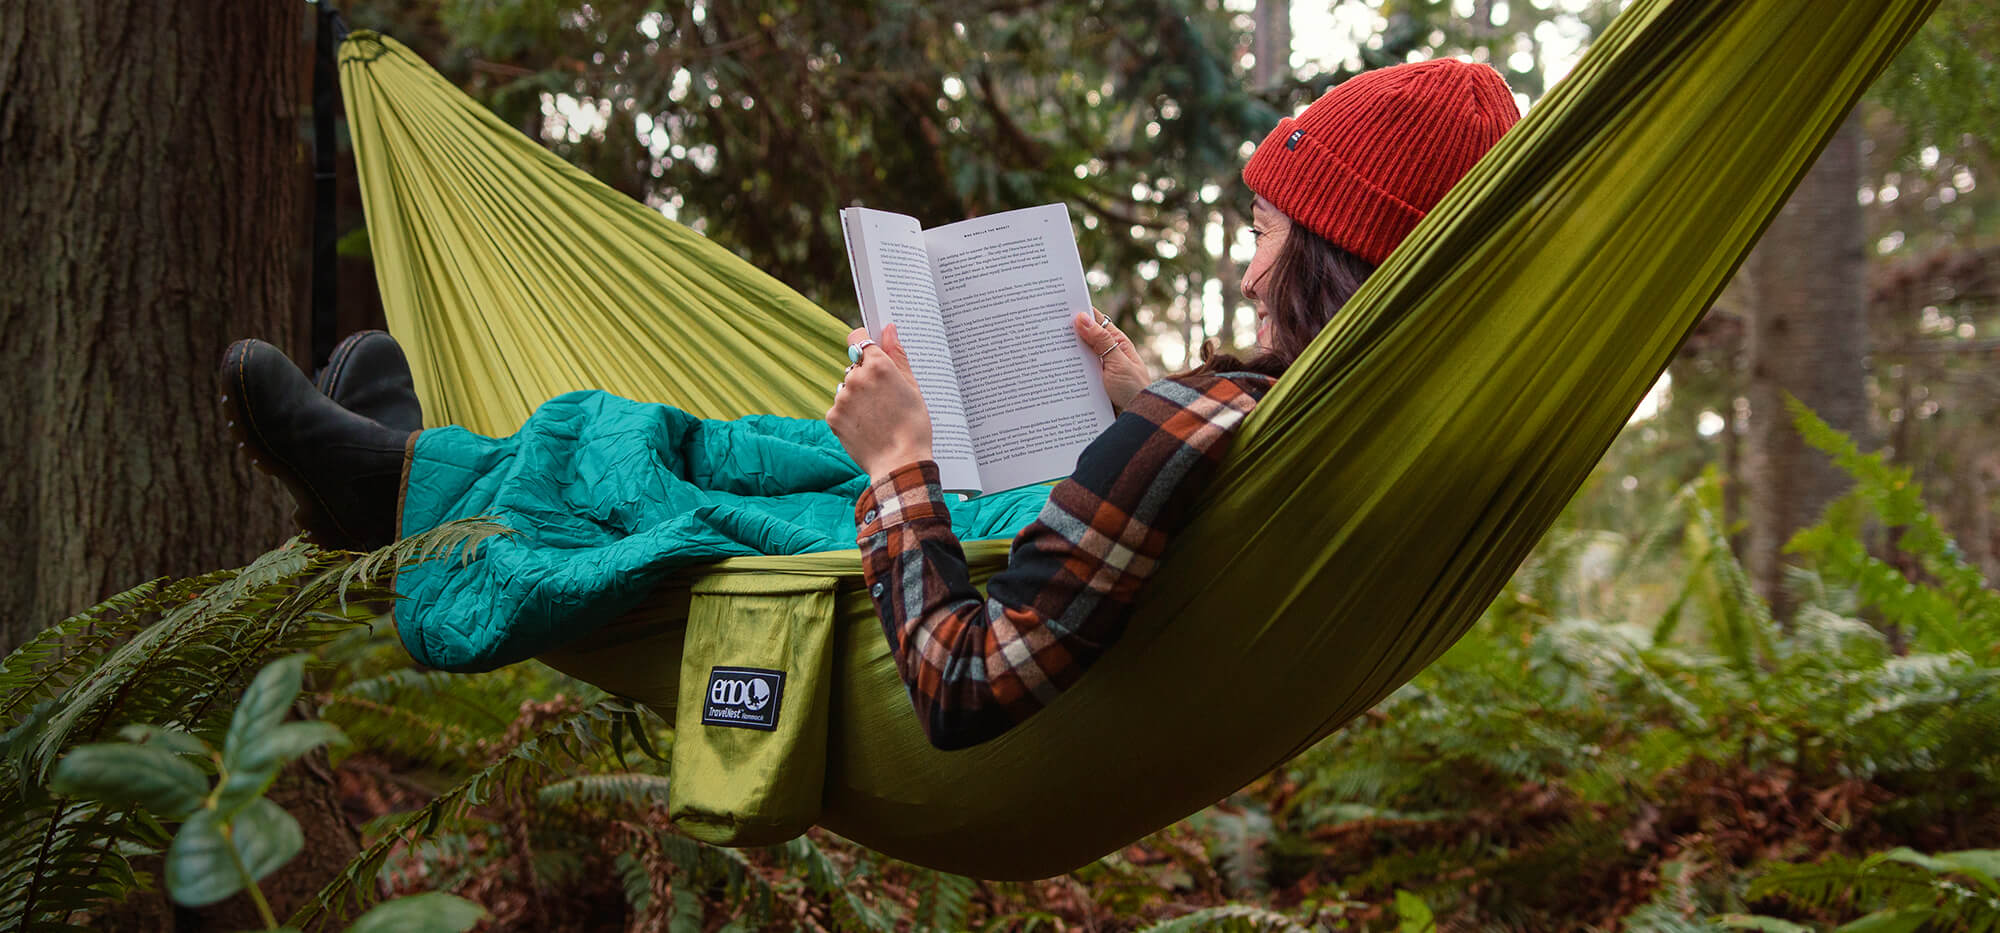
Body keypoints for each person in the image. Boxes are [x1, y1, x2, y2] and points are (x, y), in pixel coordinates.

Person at [223, 58, 1518, 750]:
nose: (1248, 263)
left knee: (683, 483)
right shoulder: (1313, 414)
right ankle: (427, 460)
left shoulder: (1213, 431)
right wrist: (1139, 394)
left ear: (1332, 252)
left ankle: (395, 494)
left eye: (1266, 231)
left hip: (969, 550)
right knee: (761, 443)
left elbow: (965, 683)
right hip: (1037, 498)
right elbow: (1211, 483)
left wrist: (900, 464)